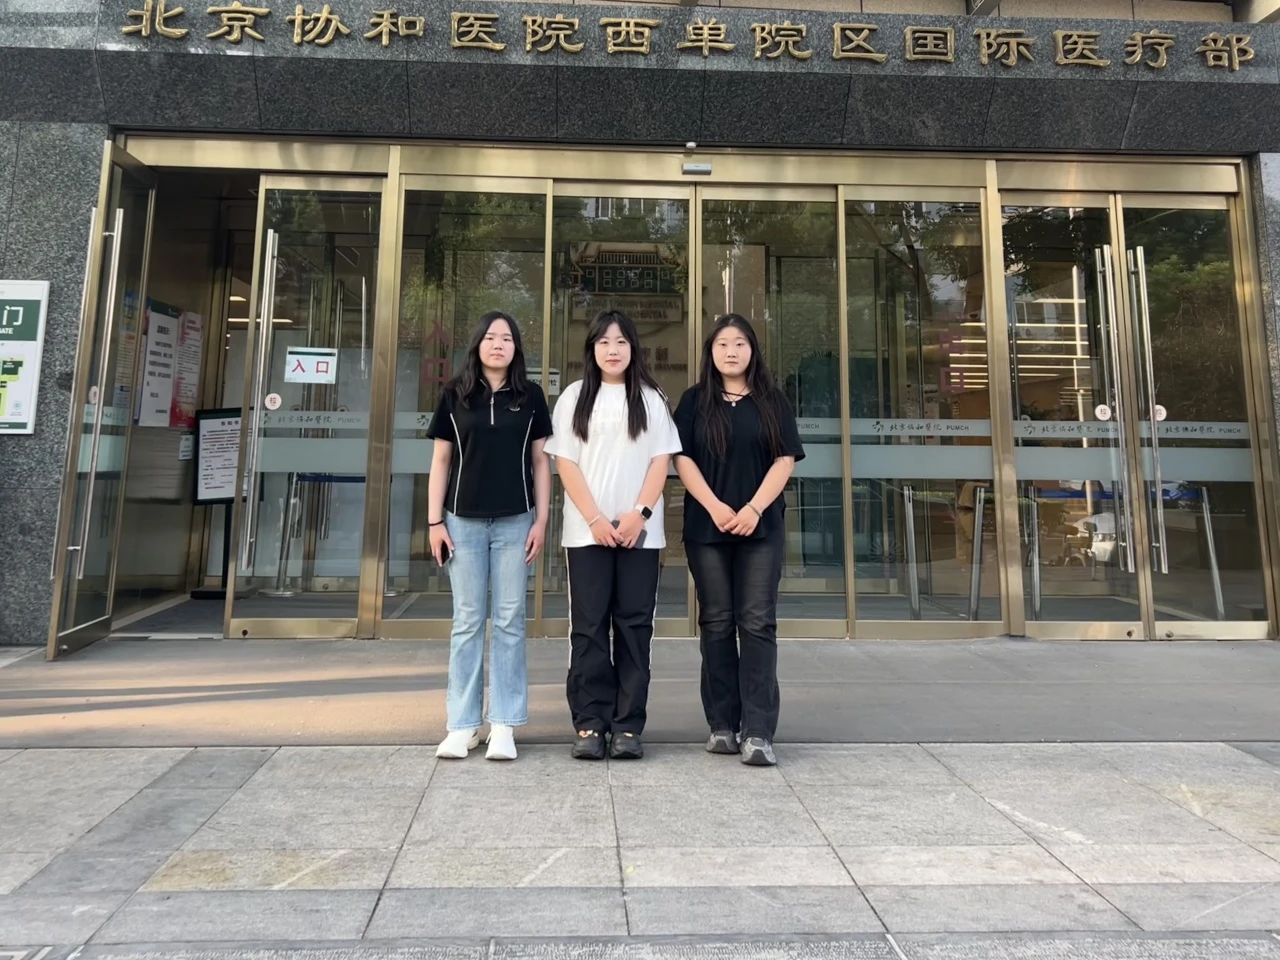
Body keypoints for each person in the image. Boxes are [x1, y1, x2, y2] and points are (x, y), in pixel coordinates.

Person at [545, 309, 682, 761]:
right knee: (588, 628)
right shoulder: (573, 397)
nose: (612, 349)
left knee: (634, 628)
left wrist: (639, 514)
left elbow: (661, 460)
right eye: (604, 341)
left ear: (633, 348)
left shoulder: (651, 399)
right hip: (587, 535)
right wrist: (595, 519)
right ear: (592, 348)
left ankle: (627, 726)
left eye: (621, 341)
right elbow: (565, 463)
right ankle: (589, 723)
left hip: (640, 536)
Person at [673, 314, 804, 766]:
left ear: (753, 350)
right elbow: (682, 459)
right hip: (707, 528)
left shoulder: (772, 401)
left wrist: (752, 509)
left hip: (760, 529)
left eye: (740, 343)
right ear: (710, 352)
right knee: (716, 621)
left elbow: (785, 459)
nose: (731, 351)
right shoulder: (694, 401)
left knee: (757, 622)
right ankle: (722, 725)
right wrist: (714, 506)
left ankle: (759, 731)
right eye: (723, 344)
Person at [426, 310, 552, 761]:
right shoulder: (455, 394)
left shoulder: (531, 396)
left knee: (509, 621)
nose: (499, 344)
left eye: (507, 338)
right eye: (491, 337)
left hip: (517, 521)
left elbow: (541, 462)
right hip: (462, 522)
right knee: (467, 621)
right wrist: (434, 522)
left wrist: (541, 520)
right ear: (478, 344)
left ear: (517, 348)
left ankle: (503, 724)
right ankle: (462, 725)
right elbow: (441, 461)